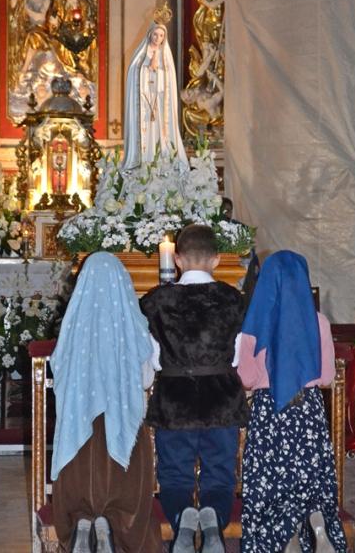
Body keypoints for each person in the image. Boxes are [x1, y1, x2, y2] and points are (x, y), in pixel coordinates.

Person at [140, 224, 249, 553]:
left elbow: (153, 357)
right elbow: (239, 355)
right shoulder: (234, 300)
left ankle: (181, 516)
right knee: (220, 471)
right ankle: (214, 518)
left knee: (175, 472)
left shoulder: (156, 301)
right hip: (221, 397)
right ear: (216, 260)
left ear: (177, 259)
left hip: (176, 398)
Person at [50, 252, 161, 553]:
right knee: (128, 480)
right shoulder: (134, 324)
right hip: (122, 423)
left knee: (79, 475)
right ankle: (112, 523)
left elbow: (58, 370)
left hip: (79, 427)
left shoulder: (72, 325)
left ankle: (82, 522)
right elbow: (146, 377)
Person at [237, 250, 347, 553]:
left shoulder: (254, 325)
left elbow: (247, 378)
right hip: (308, 411)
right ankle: (315, 519)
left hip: (270, 411)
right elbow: (326, 376)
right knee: (310, 475)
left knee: (270, 483)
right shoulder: (319, 322)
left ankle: (286, 535)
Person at [122, 20, 189, 171]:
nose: (158, 38)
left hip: (159, 99)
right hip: (144, 99)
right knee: (146, 127)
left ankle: (161, 160)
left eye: (161, 35)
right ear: (150, 34)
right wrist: (148, 66)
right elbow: (134, 71)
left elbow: (169, 79)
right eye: (155, 34)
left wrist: (158, 70)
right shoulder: (141, 53)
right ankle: (144, 161)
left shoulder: (165, 55)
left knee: (159, 128)